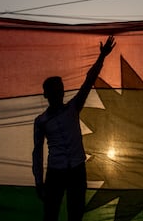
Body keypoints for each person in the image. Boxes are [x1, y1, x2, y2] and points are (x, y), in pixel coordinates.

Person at [32, 36, 116, 221]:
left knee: (76, 214)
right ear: (47, 94)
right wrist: (39, 182)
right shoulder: (41, 121)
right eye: (54, 90)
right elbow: (37, 153)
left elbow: (89, 81)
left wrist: (102, 57)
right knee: (51, 213)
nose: (58, 92)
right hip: (55, 172)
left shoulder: (73, 107)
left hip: (77, 169)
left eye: (60, 89)